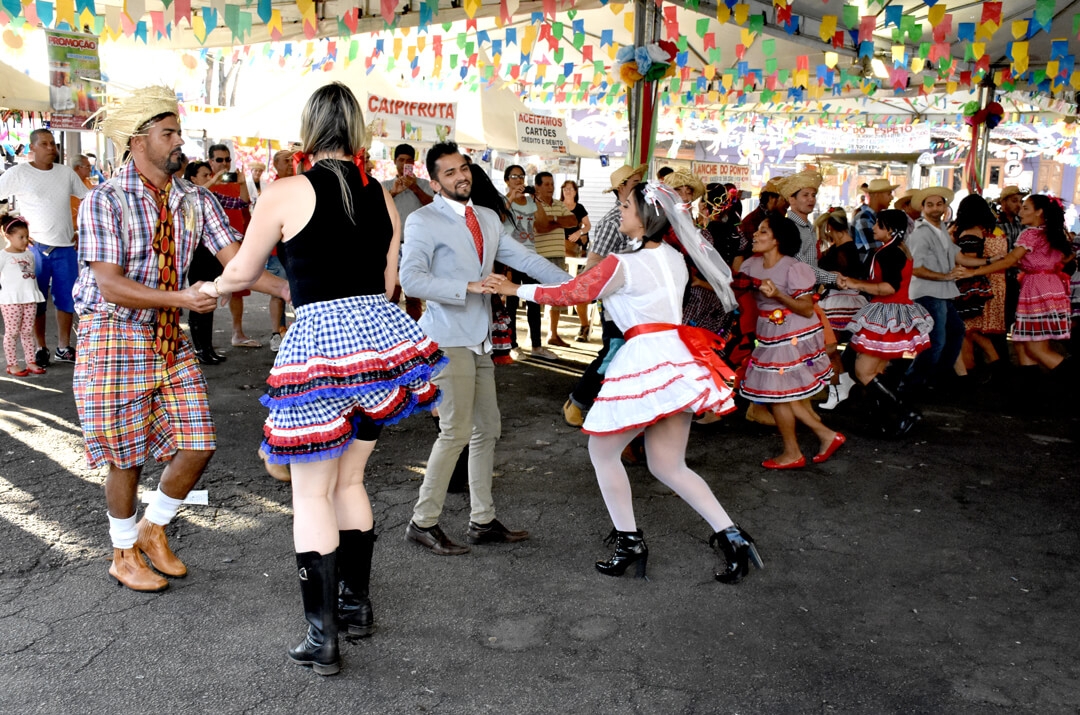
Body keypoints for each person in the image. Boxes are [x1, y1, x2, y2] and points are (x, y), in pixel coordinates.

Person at [205, 82, 445, 676]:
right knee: (351, 480)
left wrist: (211, 289)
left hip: (319, 344)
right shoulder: (383, 198)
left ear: (310, 130)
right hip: (380, 341)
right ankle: (356, 606)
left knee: (310, 491)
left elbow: (242, 268)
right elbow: (390, 282)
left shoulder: (286, 190)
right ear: (358, 130)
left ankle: (323, 637)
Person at [487, 182, 762, 584]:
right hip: (676, 355)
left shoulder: (624, 262)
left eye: (625, 206)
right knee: (669, 465)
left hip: (646, 355)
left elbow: (571, 293)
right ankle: (733, 538)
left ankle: (630, 542)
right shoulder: (674, 258)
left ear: (646, 215)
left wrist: (513, 288)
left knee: (602, 451)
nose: (620, 212)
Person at [74, 85, 289, 594]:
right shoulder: (105, 200)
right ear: (136, 140)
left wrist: (288, 288)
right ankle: (122, 550)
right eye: (168, 133)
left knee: (198, 445)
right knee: (125, 455)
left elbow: (237, 261)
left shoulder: (196, 198)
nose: (179, 143)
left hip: (169, 334)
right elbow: (108, 284)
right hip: (113, 335)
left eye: (179, 132)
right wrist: (182, 299)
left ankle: (154, 530)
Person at [399, 141, 571, 556]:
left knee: (487, 430)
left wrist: (574, 286)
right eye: (449, 173)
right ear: (435, 182)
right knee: (455, 431)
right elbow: (411, 281)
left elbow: (527, 259)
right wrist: (469, 286)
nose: (461, 176)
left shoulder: (488, 218)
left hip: (478, 341)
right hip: (445, 339)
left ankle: (482, 520)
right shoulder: (424, 220)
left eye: (464, 169)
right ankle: (422, 523)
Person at [737, 214, 842, 469]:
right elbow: (732, 287)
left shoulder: (794, 267)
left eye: (763, 232)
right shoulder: (751, 264)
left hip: (793, 335)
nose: (756, 235)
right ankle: (827, 436)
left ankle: (793, 452)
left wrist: (779, 295)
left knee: (779, 396)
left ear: (777, 240)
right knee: (787, 397)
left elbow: (806, 309)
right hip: (770, 335)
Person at [954, 194, 1075, 394]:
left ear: (1040, 212)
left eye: (1026, 208)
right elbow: (1065, 259)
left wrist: (973, 271)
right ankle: (1028, 393)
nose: (1021, 211)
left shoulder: (1030, 235)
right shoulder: (1052, 233)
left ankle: (1070, 383)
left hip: (1037, 289)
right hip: (1050, 287)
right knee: (1021, 341)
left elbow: (1010, 261)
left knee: (1036, 347)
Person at [561, 163, 646, 429]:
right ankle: (578, 401)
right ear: (622, 188)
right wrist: (586, 292)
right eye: (635, 181)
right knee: (613, 351)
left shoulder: (643, 216)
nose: (641, 184)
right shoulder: (613, 221)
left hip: (637, 299)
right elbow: (594, 263)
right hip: (617, 301)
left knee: (626, 353)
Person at [837, 210, 933, 437]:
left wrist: (854, 283)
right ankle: (883, 417)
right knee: (873, 369)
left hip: (887, 312)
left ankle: (905, 412)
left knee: (863, 371)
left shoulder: (888, 253)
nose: (873, 228)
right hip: (895, 312)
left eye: (878, 225)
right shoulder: (897, 250)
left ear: (889, 229)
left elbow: (888, 287)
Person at [0, 128, 88, 367]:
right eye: (46, 144)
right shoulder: (19, 172)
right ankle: (41, 348)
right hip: (35, 249)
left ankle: (64, 346)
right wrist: (10, 228)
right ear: (33, 149)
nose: (52, 148)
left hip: (66, 248)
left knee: (66, 300)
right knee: (35, 301)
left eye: (53, 144)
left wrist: (83, 231)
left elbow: (88, 198)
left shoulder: (66, 172)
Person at [903, 186, 987, 395]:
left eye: (938, 204)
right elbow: (916, 268)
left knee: (954, 333)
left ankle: (931, 379)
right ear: (922, 208)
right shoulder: (921, 234)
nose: (935, 208)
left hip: (942, 292)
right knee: (937, 340)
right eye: (930, 204)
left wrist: (990, 260)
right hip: (929, 292)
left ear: (945, 206)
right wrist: (945, 276)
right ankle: (914, 383)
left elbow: (959, 256)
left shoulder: (941, 229)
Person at [206, 143, 259, 349]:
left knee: (238, 289)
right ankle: (204, 344)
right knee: (205, 288)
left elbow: (243, 204)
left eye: (227, 159)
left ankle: (237, 333)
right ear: (210, 161)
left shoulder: (236, 180)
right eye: (219, 160)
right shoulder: (205, 179)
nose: (224, 164)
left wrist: (243, 183)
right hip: (209, 243)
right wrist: (212, 181)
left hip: (234, 240)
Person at [951, 195, 1008, 382]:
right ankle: (994, 366)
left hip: (976, 284)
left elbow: (969, 259)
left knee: (967, 329)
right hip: (997, 283)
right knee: (976, 329)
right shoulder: (997, 231)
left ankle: (972, 371)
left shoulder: (970, 232)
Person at [814, 207, 865, 410]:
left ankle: (837, 389)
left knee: (829, 348)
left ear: (829, 227)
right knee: (830, 349)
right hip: (845, 300)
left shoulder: (843, 251)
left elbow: (840, 277)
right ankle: (841, 386)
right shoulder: (845, 248)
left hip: (838, 302)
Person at [502, 164, 554, 359]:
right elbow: (497, 220)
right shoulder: (502, 199)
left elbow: (542, 225)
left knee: (534, 299)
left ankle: (537, 346)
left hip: (531, 255)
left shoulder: (530, 200)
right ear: (507, 180)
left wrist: (537, 200)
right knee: (512, 302)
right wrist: (510, 197)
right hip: (510, 256)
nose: (519, 180)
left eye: (522, 176)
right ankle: (512, 345)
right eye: (514, 176)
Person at [182, 161, 228, 365]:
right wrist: (214, 180)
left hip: (212, 254)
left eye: (211, 174)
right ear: (192, 178)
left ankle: (207, 347)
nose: (210, 178)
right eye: (205, 175)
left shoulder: (211, 197)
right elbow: (198, 193)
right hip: (196, 256)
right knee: (198, 302)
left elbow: (241, 203)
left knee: (210, 302)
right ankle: (200, 348)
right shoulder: (188, 197)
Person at [383, 143, 434, 322]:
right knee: (391, 294)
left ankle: (415, 333)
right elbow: (376, 210)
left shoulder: (424, 185)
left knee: (413, 294)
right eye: (401, 160)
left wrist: (415, 188)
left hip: (416, 246)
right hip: (392, 246)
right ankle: (391, 332)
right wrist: (394, 192)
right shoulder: (386, 185)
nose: (405, 163)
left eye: (409, 160)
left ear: (414, 163)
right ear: (394, 161)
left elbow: (435, 208)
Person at [532, 172, 580, 347]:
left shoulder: (559, 204)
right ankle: (535, 335)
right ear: (537, 186)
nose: (550, 187)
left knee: (557, 295)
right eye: (546, 184)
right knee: (536, 297)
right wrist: (558, 221)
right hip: (539, 256)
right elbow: (540, 226)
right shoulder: (533, 204)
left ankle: (553, 334)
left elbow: (574, 221)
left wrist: (552, 219)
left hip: (558, 255)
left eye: (552, 184)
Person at [1, 216, 46, 376]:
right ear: (8, 236)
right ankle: (12, 364)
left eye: (27, 236)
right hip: (11, 301)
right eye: (21, 237)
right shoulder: (3, 256)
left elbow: (30, 275)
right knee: (12, 332)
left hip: (30, 299)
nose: (25, 240)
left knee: (27, 331)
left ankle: (30, 361)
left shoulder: (29, 255)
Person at [266, 148, 296, 350]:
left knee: (299, 290)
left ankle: (295, 333)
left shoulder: (300, 185)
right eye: (285, 160)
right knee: (277, 291)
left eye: (292, 160)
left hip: (296, 248)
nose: (289, 164)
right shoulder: (272, 189)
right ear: (276, 164)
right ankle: (276, 333)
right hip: (278, 249)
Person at [560, 179, 592, 342]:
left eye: (571, 189)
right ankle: (554, 331)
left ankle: (584, 325)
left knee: (580, 288)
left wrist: (579, 233)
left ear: (576, 191)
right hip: (559, 250)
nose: (568, 191)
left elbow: (587, 225)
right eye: (565, 189)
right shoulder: (557, 205)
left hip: (576, 250)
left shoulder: (579, 208)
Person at [737, 177, 787, 274]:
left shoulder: (775, 220)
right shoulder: (752, 222)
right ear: (772, 199)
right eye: (784, 200)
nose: (787, 204)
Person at [996, 186, 1026, 333]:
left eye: (1021, 201)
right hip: (997, 276)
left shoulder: (1022, 223)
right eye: (1014, 201)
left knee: (1009, 315)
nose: (1019, 205)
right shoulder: (994, 222)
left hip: (1015, 277)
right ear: (1004, 202)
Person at [852, 178, 898, 261]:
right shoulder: (864, 218)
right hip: (865, 271)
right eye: (889, 194)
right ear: (877, 195)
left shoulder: (875, 217)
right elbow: (876, 249)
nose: (891, 197)